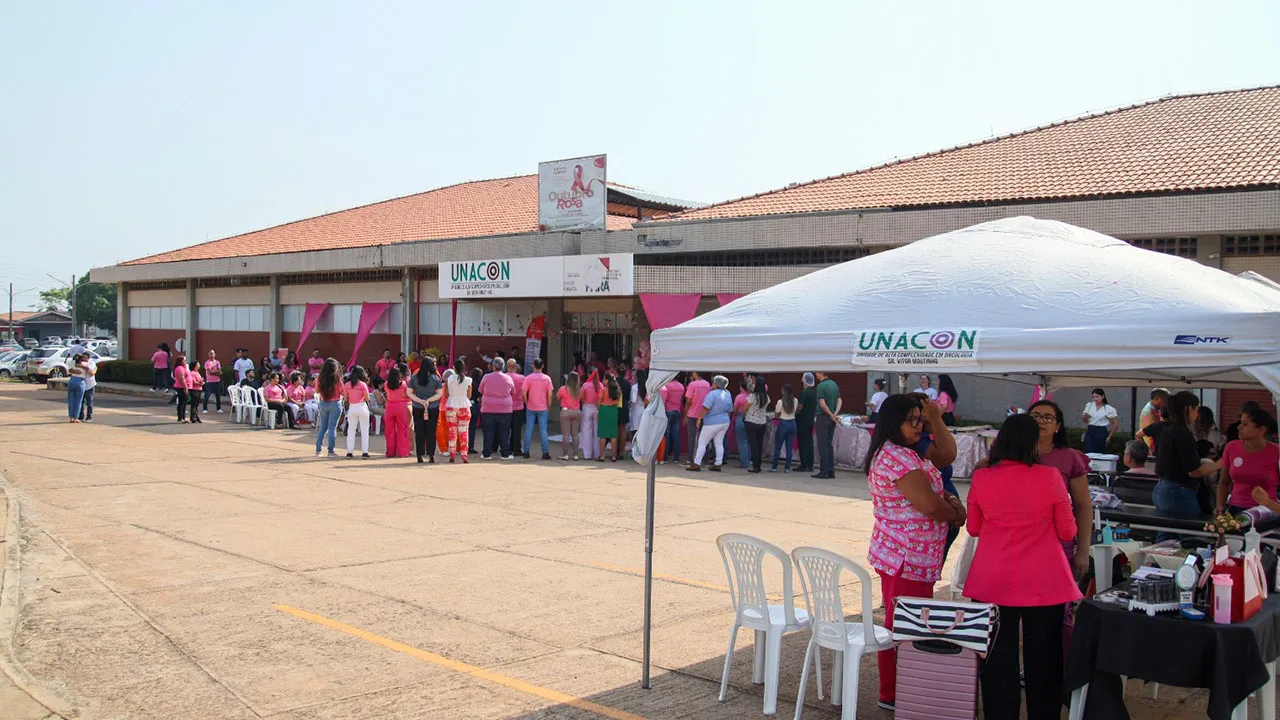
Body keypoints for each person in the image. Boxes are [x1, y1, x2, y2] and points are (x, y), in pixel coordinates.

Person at [965, 413, 1081, 720]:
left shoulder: (982, 477)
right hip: (1044, 580)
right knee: (1044, 660)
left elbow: (974, 528)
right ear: (1033, 443)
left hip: (992, 579)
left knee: (996, 661)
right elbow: (1068, 531)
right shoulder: (1050, 477)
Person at [864, 394, 964, 711]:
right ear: (893, 421)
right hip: (906, 557)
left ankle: (897, 689)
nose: (918, 425)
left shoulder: (903, 453)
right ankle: (893, 692)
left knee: (903, 621)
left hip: (905, 556)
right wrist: (956, 514)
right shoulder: (897, 457)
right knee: (905, 625)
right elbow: (931, 505)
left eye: (920, 420)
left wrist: (949, 501)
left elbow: (936, 482)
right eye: (912, 420)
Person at [1027, 400, 1093, 578]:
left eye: (1048, 418)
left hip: (1056, 543)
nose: (1041, 421)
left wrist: (1083, 550)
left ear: (1058, 426)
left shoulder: (1070, 457)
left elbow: (1083, 506)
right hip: (1016, 543)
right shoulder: (1008, 454)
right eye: (1035, 416)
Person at [1153, 391, 1221, 538]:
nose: (1197, 414)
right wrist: (1220, 464)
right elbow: (1194, 471)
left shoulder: (1168, 428)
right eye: (1196, 410)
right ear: (1189, 409)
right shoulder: (1181, 432)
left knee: (1167, 536)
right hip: (1178, 492)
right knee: (1189, 537)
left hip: (1165, 488)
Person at [913, 393, 960, 558]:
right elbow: (947, 454)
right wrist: (936, 420)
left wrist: (953, 500)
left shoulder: (924, 438)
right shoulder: (917, 442)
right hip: (932, 524)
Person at [1216, 406, 1279, 513]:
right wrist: (1220, 506)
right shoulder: (1232, 447)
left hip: (1266, 511)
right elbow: (1224, 482)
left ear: (1261, 430)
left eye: (1245, 424)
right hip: (1235, 508)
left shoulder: (1276, 452)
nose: (1239, 427)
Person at [687, 376, 733, 472]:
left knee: (702, 442)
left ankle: (697, 463)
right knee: (719, 442)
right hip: (724, 421)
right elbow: (730, 410)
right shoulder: (728, 394)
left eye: (714, 382)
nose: (712, 384)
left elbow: (706, 408)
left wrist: (699, 419)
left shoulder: (712, 394)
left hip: (711, 422)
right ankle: (718, 463)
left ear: (717, 384)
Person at [407, 357, 443, 464]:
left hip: (418, 407)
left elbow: (409, 392)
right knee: (431, 432)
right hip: (432, 407)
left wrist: (420, 401)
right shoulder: (436, 378)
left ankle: (419, 455)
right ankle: (431, 455)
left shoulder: (414, 378)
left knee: (419, 431)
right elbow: (439, 393)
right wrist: (428, 400)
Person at [478, 358, 514, 460]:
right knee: (504, 431)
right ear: (503, 367)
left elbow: (480, 390)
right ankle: (505, 454)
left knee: (488, 431)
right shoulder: (508, 378)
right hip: (505, 408)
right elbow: (512, 392)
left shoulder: (486, 377)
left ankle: (487, 454)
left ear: (493, 366)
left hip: (488, 407)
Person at [522, 358, 554, 460]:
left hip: (531, 407)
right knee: (543, 430)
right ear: (543, 366)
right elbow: (550, 394)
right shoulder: (547, 378)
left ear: (533, 366)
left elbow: (523, 392)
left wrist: (527, 402)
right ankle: (545, 453)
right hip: (543, 407)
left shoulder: (528, 378)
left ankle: (526, 452)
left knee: (528, 429)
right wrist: (549, 406)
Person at [812, 371, 842, 479]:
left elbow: (822, 404)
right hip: (832, 418)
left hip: (823, 417)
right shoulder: (834, 384)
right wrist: (835, 414)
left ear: (821, 373)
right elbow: (839, 400)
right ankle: (831, 470)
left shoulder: (821, 386)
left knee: (822, 445)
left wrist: (830, 414)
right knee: (829, 444)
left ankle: (824, 471)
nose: (816, 374)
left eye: (817, 373)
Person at [443, 359, 473, 463]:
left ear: (454, 368)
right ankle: (464, 454)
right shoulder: (468, 380)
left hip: (451, 404)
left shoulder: (449, 379)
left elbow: (446, 394)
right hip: (464, 405)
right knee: (464, 431)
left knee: (452, 431)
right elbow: (469, 395)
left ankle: (452, 454)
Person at [314, 359, 343, 457]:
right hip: (335, 404)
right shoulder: (337, 379)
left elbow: (317, 391)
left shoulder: (320, 378)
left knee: (323, 427)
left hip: (323, 403)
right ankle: (331, 451)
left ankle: (318, 449)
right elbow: (342, 391)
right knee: (332, 427)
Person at [381, 367, 411, 458]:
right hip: (401, 406)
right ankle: (403, 452)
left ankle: (390, 452)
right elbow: (406, 395)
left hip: (390, 406)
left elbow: (387, 393)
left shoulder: (386, 384)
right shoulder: (403, 384)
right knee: (402, 429)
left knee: (389, 430)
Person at [344, 366, 372, 458]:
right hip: (362, 406)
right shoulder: (363, 384)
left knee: (351, 430)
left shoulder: (347, 384)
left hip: (352, 407)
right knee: (364, 430)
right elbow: (367, 398)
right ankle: (365, 452)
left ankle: (349, 452)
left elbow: (345, 398)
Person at [1080, 388, 1119, 454]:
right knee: (1088, 451)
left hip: (1101, 431)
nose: (1095, 399)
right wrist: (1085, 417)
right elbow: (1085, 421)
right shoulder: (1089, 405)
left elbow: (1115, 424)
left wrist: (1109, 437)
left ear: (1103, 396)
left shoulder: (1108, 408)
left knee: (1098, 452)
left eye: (1097, 397)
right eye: (1093, 397)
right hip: (1090, 429)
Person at [684, 372, 712, 465]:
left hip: (693, 413)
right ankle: (705, 459)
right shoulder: (707, 384)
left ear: (695, 373)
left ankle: (691, 459)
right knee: (705, 437)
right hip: (704, 413)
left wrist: (685, 414)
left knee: (692, 437)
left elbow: (688, 401)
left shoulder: (692, 385)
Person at [744, 375, 770, 474]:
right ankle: (758, 465)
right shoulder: (766, 397)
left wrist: (744, 416)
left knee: (753, 445)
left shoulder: (752, 396)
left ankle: (755, 465)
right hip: (762, 422)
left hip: (751, 421)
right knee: (759, 444)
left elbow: (746, 407)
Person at [771, 384, 798, 473]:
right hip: (792, 423)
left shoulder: (780, 402)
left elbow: (776, 413)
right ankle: (787, 468)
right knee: (789, 447)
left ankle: (774, 467)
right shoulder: (795, 400)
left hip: (783, 423)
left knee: (778, 446)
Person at [660, 374, 686, 463]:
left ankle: (665, 457)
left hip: (667, 410)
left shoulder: (667, 386)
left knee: (666, 434)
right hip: (677, 410)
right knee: (676, 434)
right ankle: (676, 457)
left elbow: (664, 399)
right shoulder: (681, 386)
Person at [557, 371, 582, 461]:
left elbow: (558, 397)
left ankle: (565, 454)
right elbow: (582, 399)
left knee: (566, 434)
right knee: (575, 434)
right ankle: (575, 454)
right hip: (576, 412)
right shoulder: (580, 389)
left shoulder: (563, 389)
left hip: (565, 411)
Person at [796, 373, 818, 472]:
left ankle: (804, 464)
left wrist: (794, 413)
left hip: (802, 420)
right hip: (811, 420)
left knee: (802, 443)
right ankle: (810, 464)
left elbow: (800, 406)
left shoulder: (804, 393)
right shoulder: (814, 392)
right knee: (809, 442)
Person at [597, 376, 622, 462]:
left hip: (604, 410)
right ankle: (614, 456)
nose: (603, 380)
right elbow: (618, 400)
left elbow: (599, 401)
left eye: (604, 379)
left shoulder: (603, 390)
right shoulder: (617, 390)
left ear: (607, 380)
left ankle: (601, 456)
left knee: (603, 434)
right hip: (614, 410)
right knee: (613, 434)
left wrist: (598, 408)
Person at [1138, 388, 1171, 452]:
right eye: (1164, 401)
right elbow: (1149, 432)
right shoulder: (1148, 411)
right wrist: (1149, 449)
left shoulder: (1155, 409)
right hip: (1152, 447)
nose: (1165, 403)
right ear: (1156, 399)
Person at [506, 359, 527, 459]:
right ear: (516, 367)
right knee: (517, 430)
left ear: (507, 367)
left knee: (505, 429)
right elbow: (524, 392)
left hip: (505, 407)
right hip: (519, 406)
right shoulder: (522, 378)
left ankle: (506, 448)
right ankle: (516, 449)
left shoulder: (504, 377)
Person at [579, 371, 602, 460]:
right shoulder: (601, 385)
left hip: (587, 407)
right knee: (597, 432)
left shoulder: (585, 385)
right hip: (597, 408)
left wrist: (584, 403)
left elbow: (581, 398)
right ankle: (597, 453)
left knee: (586, 431)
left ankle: (587, 454)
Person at [733, 380, 752, 469]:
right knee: (749, 441)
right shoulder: (752, 397)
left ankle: (744, 462)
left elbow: (735, 410)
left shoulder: (739, 397)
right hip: (751, 418)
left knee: (742, 441)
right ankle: (749, 460)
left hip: (741, 417)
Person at [65, 353, 87, 423]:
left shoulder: (72, 363)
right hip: (80, 381)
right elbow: (89, 370)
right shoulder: (85, 364)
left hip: (72, 380)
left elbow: (69, 370)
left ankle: (71, 417)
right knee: (78, 401)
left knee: (71, 400)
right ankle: (75, 417)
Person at [614, 369, 631, 459]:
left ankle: (615, 452)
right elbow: (628, 397)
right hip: (624, 407)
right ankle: (621, 452)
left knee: (615, 430)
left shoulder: (614, 382)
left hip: (615, 406)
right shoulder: (628, 383)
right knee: (623, 430)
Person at [468, 366, 484, 456]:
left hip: (467, 404)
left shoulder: (468, 382)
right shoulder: (479, 385)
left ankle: (462, 446)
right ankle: (470, 447)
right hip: (475, 405)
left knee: (464, 427)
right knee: (472, 428)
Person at [78, 351, 98, 422]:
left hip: (90, 385)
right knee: (81, 401)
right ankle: (81, 416)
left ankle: (89, 417)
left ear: (88, 358)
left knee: (89, 402)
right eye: (83, 358)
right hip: (82, 385)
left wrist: (82, 366)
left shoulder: (91, 363)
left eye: (86, 358)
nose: (84, 359)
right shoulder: (80, 363)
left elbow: (91, 372)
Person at [172, 353, 190, 422]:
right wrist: (186, 387)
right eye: (184, 360)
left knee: (184, 402)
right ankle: (180, 417)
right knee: (182, 402)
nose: (185, 362)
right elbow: (181, 378)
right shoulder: (179, 368)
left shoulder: (183, 367)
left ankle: (183, 417)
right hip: (181, 386)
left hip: (183, 386)